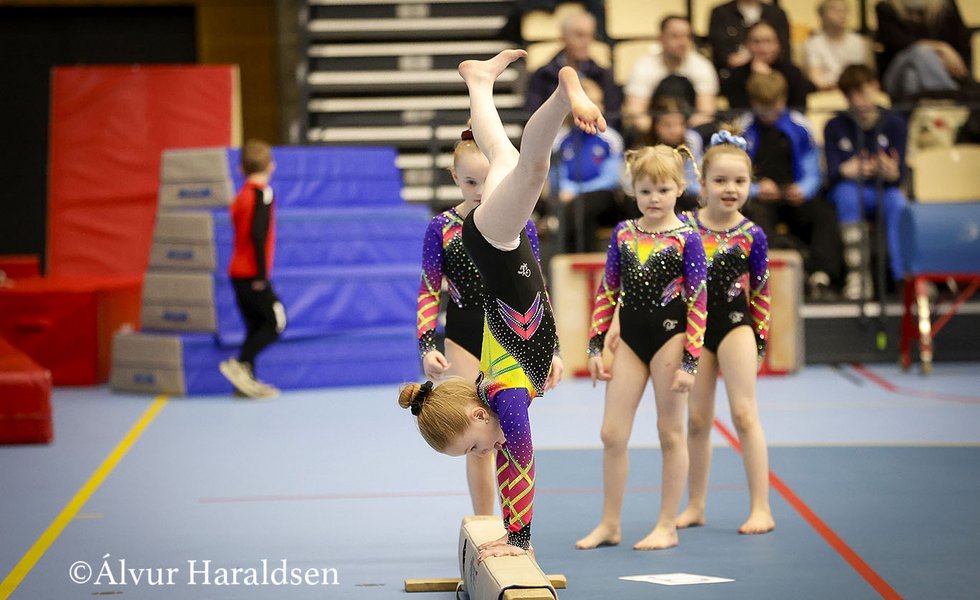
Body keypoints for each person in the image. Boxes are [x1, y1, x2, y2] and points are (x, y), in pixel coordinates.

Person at [399, 49, 600, 561]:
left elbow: (520, 461)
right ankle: (480, 82)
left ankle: (562, 93)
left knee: (531, 168)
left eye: (473, 444)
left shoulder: (505, 395)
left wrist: (519, 538)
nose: (482, 451)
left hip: (496, 245)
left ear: (475, 412)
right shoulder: (490, 384)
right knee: (502, 155)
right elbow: (509, 452)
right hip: (497, 250)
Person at [417, 128, 556, 515]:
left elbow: (537, 289)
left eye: (486, 179)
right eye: (470, 182)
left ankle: (513, 519)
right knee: (477, 438)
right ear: (455, 178)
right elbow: (429, 289)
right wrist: (427, 345)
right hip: (464, 334)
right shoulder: (441, 227)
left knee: (506, 429)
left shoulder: (519, 223)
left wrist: (554, 350)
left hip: (511, 337)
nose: (479, 191)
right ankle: (485, 521)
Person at [575, 145, 707, 551]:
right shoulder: (624, 233)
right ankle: (610, 524)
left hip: (670, 340)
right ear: (633, 189)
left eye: (663, 190)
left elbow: (698, 301)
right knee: (612, 433)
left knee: (670, 432)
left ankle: (667, 524)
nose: (654, 199)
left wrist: (690, 361)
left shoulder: (688, 238)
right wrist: (595, 346)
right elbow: (608, 290)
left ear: (680, 188)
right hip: (630, 341)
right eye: (645, 190)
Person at [675, 128, 775, 535]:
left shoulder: (753, 235)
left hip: (736, 327)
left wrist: (760, 339)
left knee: (744, 414)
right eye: (720, 180)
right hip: (695, 332)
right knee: (697, 419)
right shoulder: (684, 227)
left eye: (739, 181)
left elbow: (762, 292)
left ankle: (761, 507)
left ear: (750, 184)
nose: (730, 189)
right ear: (702, 184)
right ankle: (695, 504)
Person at [738, 71, 841, 299]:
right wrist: (756, 188)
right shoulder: (742, 128)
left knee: (824, 214)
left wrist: (803, 188)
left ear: (783, 99)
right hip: (760, 198)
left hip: (794, 195)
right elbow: (734, 171)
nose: (769, 112)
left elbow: (812, 168)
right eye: (763, 106)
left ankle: (821, 276)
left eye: (774, 105)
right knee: (755, 218)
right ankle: (767, 279)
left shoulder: (799, 125)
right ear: (753, 102)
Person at [824, 64, 908, 300]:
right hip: (851, 189)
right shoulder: (835, 125)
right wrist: (846, 169)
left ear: (875, 87)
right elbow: (831, 174)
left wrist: (891, 172)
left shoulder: (895, 123)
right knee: (847, 196)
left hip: (884, 189)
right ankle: (858, 276)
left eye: (861, 92)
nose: (857, 101)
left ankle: (903, 276)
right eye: (850, 95)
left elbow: (900, 175)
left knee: (897, 201)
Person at [219, 139, 287, 399]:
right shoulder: (263, 194)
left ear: (241, 169)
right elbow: (258, 234)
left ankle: (245, 382)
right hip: (252, 274)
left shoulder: (240, 197)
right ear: (271, 166)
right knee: (275, 323)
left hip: (237, 273)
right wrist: (261, 275)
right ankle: (240, 364)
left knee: (255, 326)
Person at [554, 77, 626, 252]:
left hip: (602, 196)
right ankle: (566, 261)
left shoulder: (610, 138)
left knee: (581, 208)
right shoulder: (560, 139)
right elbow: (556, 175)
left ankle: (583, 261)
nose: (601, 108)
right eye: (595, 103)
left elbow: (611, 179)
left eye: (601, 102)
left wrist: (576, 191)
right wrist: (566, 189)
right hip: (567, 198)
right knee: (571, 210)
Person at [524, 11, 621, 127]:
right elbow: (532, 116)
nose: (586, 42)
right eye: (579, 35)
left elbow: (613, 117)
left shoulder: (602, 76)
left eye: (590, 36)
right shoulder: (543, 76)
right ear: (563, 37)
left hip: (595, 133)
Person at [621, 16, 719, 132]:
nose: (682, 42)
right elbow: (636, 113)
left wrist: (680, 133)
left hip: (690, 131)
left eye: (687, 36)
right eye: (675, 36)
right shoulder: (643, 66)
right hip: (652, 131)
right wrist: (659, 133)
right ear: (661, 39)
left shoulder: (702, 66)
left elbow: (705, 113)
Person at [874, 0, 972, 101]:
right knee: (920, 52)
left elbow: (963, 44)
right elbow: (899, 41)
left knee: (911, 77)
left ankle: (922, 109)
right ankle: (950, 99)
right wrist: (941, 48)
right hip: (895, 75)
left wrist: (938, 62)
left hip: (939, 74)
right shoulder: (885, 8)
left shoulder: (946, 6)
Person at [721, 20, 816, 112]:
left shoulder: (792, 72)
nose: (763, 48)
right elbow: (738, 110)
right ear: (747, 44)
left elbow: (799, 108)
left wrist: (770, 78)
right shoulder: (737, 75)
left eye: (768, 41)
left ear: (778, 44)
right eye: (756, 42)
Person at [631, 96, 704, 212]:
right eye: (668, 125)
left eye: (681, 124)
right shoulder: (643, 145)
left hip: (682, 192)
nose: (675, 130)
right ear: (656, 125)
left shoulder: (692, 140)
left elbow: (695, 175)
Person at [708, 0, 792, 80]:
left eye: (767, 41)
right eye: (756, 41)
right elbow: (720, 53)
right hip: (734, 73)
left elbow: (785, 52)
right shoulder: (721, 13)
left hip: (773, 72)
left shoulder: (777, 14)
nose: (762, 45)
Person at [804, 0, 871, 91]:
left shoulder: (856, 41)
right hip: (825, 90)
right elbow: (815, 76)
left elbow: (858, 74)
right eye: (835, 10)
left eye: (844, 10)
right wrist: (831, 86)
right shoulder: (813, 43)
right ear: (822, 15)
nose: (841, 14)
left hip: (853, 90)